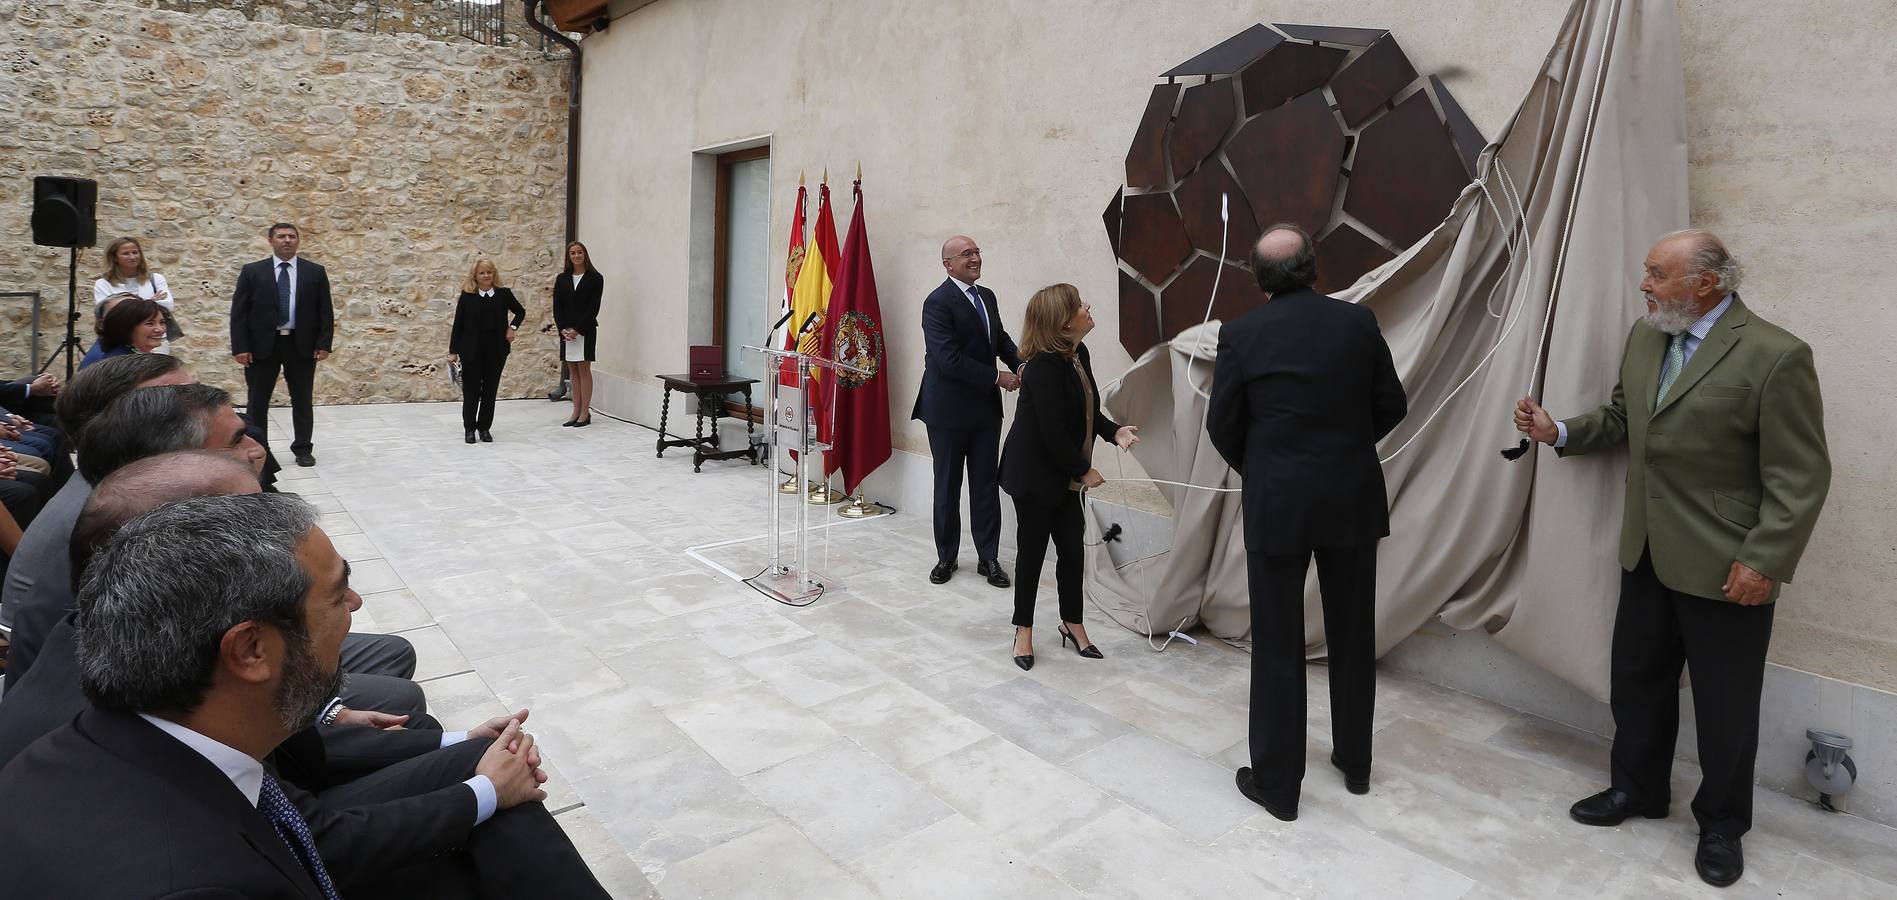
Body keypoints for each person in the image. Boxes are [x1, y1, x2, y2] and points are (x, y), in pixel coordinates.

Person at [0, 494, 610, 898]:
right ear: (250, 651)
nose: (356, 608)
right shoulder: (190, 880)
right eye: (337, 595)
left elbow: (300, 822)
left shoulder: (150, 735)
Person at [1513, 230, 1830, 888]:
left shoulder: (1775, 355)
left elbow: (1799, 476)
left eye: (1656, 274)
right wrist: (1560, 431)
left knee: (1724, 705)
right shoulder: (1646, 337)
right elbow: (1627, 417)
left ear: (1704, 283)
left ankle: (1720, 823)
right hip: (1647, 550)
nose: (1644, 285)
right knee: (1637, 683)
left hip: (1727, 564)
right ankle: (1636, 791)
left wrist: (1762, 560)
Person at [1209, 225, 1408, 823]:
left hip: (1278, 502)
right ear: (1313, 267)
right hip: (1350, 495)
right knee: (1352, 631)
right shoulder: (1358, 322)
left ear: (1260, 279)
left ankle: (1277, 784)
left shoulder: (1241, 335)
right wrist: (1345, 449)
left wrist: (1268, 467)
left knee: (1276, 640)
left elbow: (1224, 425)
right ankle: (1355, 761)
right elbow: (1391, 404)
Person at [998, 284, 1137, 669]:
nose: (1087, 305)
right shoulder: (1043, 365)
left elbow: (1087, 407)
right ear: (1062, 321)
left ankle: (1071, 622)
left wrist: (1115, 432)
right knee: (1032, 554)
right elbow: (1052, 430)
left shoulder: (1079, 353)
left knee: (1072, 553)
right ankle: (1022, 630)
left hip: (1064, 476)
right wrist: (1084, 470)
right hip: (1035, 475)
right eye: (1079, 304)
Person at [913, 235, 1022, 588]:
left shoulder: (986, 297)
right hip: (947, 411)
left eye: (977, 251)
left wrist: (1021, 365)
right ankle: (947, 556)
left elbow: (998, 339)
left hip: (984, 411)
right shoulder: (937, 303)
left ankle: (988, 557)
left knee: (985, 484)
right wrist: (998, 377)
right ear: (948, 264)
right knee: (948, 484)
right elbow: (948, 360)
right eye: (967, 254)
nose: (975, 258)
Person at [231, 221, 335, 467]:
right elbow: (239, 312)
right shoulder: (252, 271)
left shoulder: (315, 272)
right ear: (271, 240)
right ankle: (259, 450)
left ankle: (303, 448)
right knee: (257, 401)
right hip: (261, 347)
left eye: (292, 236)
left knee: (302, 400)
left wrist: (324, 343)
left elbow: (325, 311)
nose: (287, 240)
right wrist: (240, 347)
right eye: (281, 236)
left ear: (298, 241)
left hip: (301, 346)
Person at [449, 258, 526, 444]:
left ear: (494, 274)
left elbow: (520, 312)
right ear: (475, 275)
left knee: (490, 391)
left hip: (496, 351)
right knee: (472, 391)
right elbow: (458, 325)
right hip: (471, 352)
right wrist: (453, 351)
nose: (486, 276)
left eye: (489, 272)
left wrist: (512, 328)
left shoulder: (503, 294)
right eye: (482, 273)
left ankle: (484, 428)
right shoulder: (467, 296)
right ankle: (469, 429)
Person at [92, 235, 177, 353]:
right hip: (121, 341)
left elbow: (167, 305)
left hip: (154, 339)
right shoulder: (103, 283)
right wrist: (150, 302)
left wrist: (126, 305)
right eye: (126, 253)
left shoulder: (155, 279)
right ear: (115, 257)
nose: (132, 257)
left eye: (135, 252)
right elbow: (107, 312)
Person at [551, 240, 601, 427]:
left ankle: (585, 412)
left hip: (584, 331)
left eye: (579, 252)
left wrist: (577, 329)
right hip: (566, 332)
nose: (576, 255)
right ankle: (575, 410)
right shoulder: (562, 278)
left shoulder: (595, 278)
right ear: (569, 256)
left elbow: (593, 307)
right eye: (573, 253)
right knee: (572, 370)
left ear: (585, 255)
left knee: (583, 369)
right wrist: (563, 328)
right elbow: (557, 306)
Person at [78, 292, 167, 369]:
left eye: (162, 322)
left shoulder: (126, 352)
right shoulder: (117, 362)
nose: (159, 329)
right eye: (149, 323)